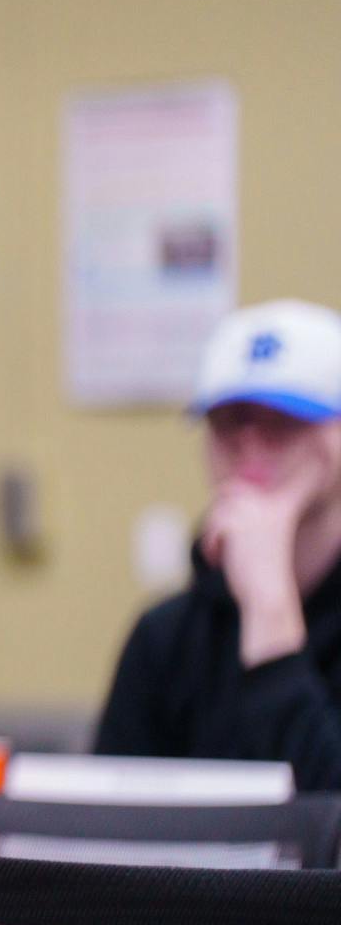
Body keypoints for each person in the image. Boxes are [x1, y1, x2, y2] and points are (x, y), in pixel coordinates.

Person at [95, 299, 341, 789]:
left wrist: (271, 621)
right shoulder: (164, 639)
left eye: (285, 418)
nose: (249, 441)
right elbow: (107, 837)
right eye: (227, 419)